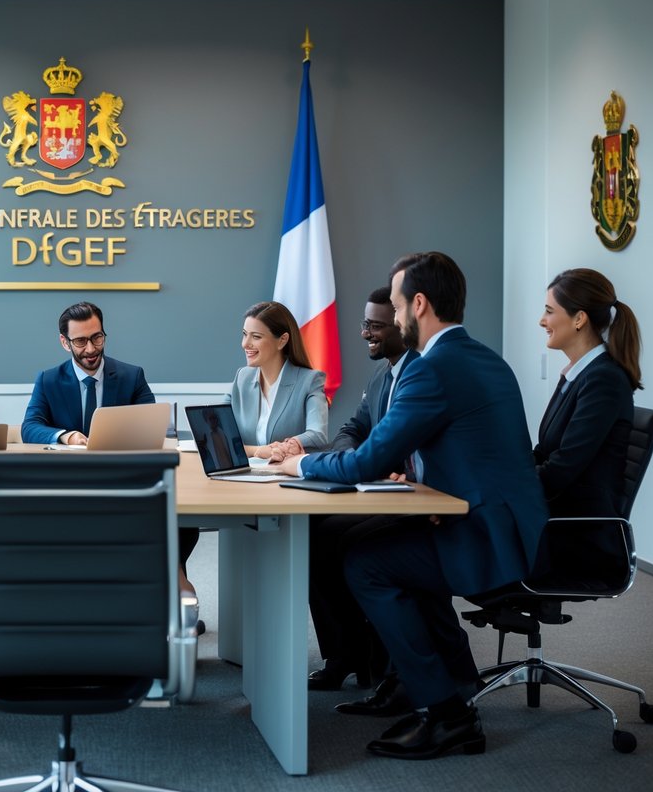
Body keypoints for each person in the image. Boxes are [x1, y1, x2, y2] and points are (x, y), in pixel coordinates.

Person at [273, 252, 548, 760]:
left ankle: (446, 714)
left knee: (368, 563)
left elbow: (367, 463)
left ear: (418, 304)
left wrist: (300, 467)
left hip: (486, 534)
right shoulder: (485, 357)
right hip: (501, 520)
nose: (395, 319)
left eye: (397, 307)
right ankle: (454, 687)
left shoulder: (433, 369)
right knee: (378, 544)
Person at [21, 301, 200, 591]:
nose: (91, 349)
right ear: (64, 342)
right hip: (67, 485)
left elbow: (150, 424)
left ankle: (177, 580)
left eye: (97, 337)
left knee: (180, 512)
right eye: (80, 341)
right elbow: (30, 427)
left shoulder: (132, 375)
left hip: (126, 481)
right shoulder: (49, 379)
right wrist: (66, 435)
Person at [309, 287, 416, 692]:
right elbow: (352, 429)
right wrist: (354, 458)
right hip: (377, 488)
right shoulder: (382, 373)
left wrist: (367, 465)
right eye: (364, 323)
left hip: (412, 498)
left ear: (402, 326)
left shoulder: (417, 372)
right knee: (314, 530)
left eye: (375, 325)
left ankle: (367, 654)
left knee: (329, 538)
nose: (365, 333)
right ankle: (344, 654)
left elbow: (399, 446)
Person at [535, 268, 640, 518]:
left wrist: (504, 482)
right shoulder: (578, 375)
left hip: (578, 529)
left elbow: (561, 470)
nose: (542, 320)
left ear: (579, 319)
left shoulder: (604, 379)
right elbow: (544, 453)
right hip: (558, 514)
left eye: (549, 311)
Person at [223, 300, 328, 461]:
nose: (245, 344)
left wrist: (286, 447)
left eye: (256, 337)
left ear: (282, 340)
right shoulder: (242, 377)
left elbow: (317, 434)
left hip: (286, 477)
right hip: (246, 476)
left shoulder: (310, 381)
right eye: (245, 334)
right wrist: (259, 451)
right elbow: (220, 435)